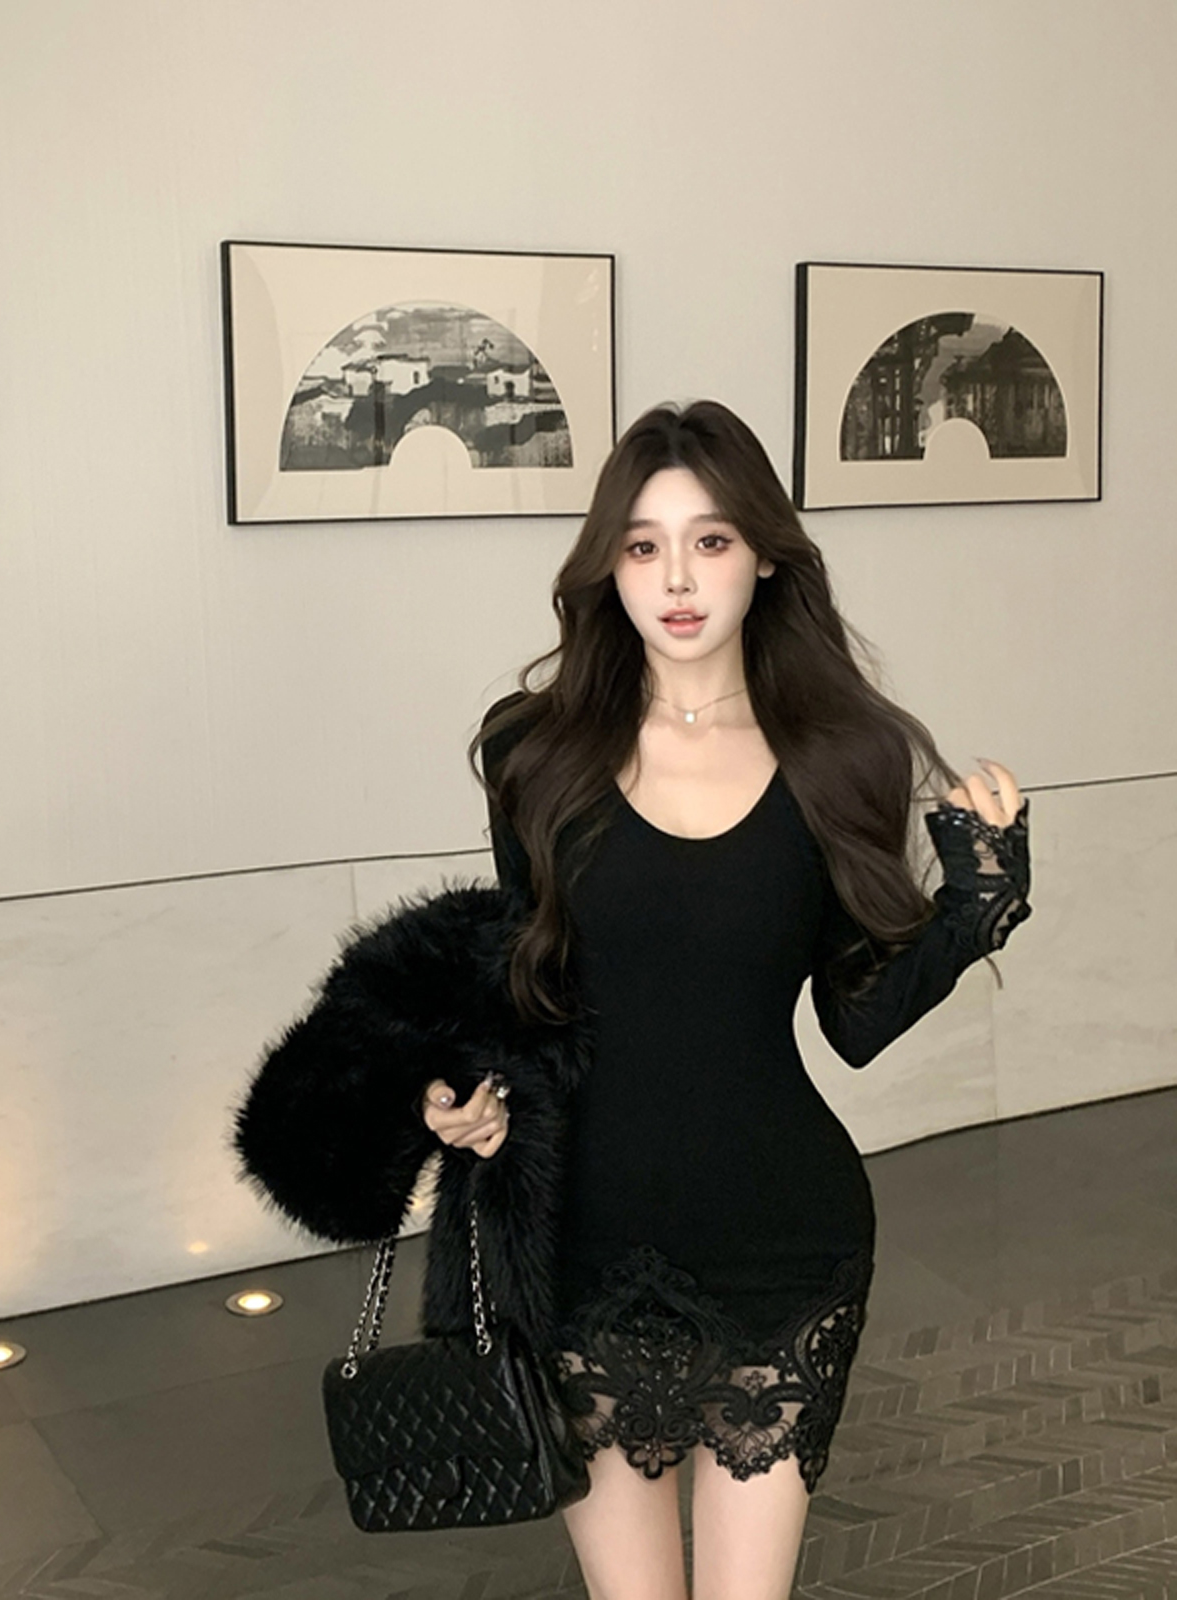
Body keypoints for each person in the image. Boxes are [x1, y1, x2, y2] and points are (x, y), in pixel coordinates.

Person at [416, 399, 1032, 1599]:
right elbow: (522, 986)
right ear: (608, 567)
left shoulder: (841, 753)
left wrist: (974, 908)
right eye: (642, 545)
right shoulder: (533, 750)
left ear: (764, 555)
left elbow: (855, 1023)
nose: (676, 579)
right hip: (582, 1239)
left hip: (780, 1241)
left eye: (709, 540)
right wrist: (468, 1093)